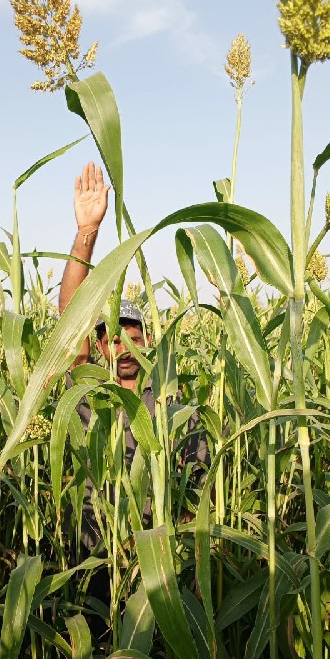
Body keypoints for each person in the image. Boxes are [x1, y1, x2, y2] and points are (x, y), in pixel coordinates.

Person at [59, 162, 208, 554]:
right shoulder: (90, 390)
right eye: (112, 339)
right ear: (99, 348)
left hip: (153, 564)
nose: (123, 348)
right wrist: (85, 234)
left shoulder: (171, 405)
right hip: (93, 552)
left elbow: (193, 495)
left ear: (150, 341)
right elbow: (71, 324)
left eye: (132, 337)